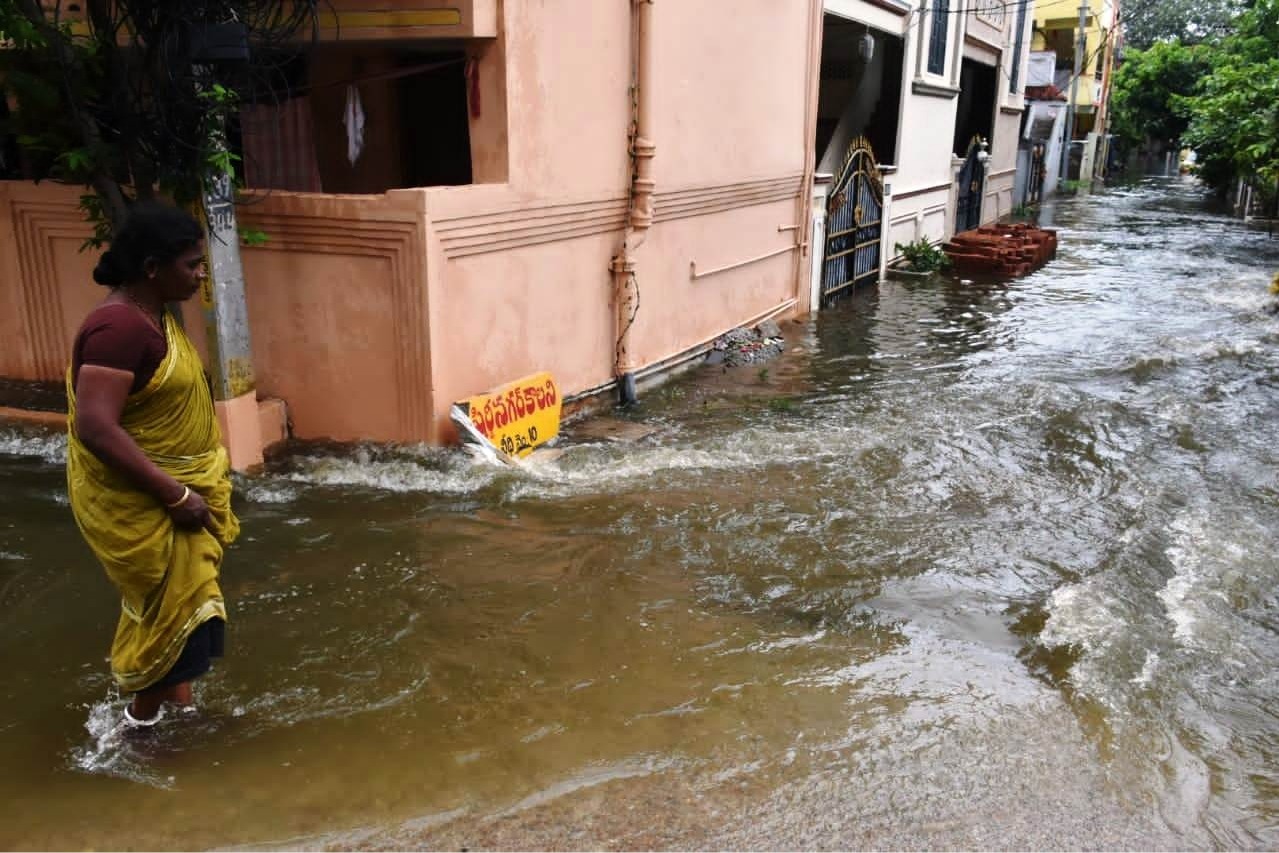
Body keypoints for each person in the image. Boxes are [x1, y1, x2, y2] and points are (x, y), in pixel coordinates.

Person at [66, 202, 239, 728]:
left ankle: (179, 717)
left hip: (172, 491)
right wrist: (175, 494)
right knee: (169, 613)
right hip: (146, 502)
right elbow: (95, 426)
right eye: (190, 264)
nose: (199, 274)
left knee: (182, 612)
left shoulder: (151, 316)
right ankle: (140, 729)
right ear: (150, 268)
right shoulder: (118, 329)